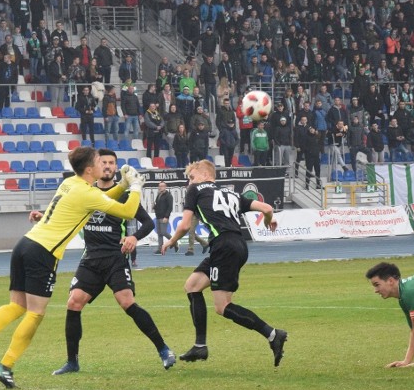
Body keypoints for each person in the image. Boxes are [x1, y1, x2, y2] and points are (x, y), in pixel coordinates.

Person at [0, 147, 146, 388]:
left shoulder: (71, 183)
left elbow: (101, 199)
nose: (102, 165)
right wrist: (135, 187)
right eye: (97, 161)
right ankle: (5, 366)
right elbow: (127, 210)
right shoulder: (87, 192)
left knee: (17, 305)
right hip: (43, 253)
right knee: (36, 313)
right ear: (90, 169)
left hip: (25, 244)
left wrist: (122, 184)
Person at [49, 150, 175, 375]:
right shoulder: (86, 191)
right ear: (96, 165)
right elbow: (65, 211)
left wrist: (134, 237)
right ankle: (72, 362)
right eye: (103, 162)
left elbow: (147, 223)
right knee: (73, 303)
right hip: (90, 259)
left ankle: (164, 350)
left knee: (127, 303)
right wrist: (44, 216)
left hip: (115, 258)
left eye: (111, 163)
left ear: (116, 168)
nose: (107, 166)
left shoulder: (125, 195)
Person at [161, 160, 288, 366]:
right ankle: (200, 346)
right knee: (192, 286)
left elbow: (184, 225)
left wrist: (171, 241)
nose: (189, 182)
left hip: (224, 246)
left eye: (191, 177)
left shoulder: (195, 190)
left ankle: (273, 334)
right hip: (234, 245)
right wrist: (268, 221)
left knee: (223, 307)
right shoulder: (232, 194)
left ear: (204, 174)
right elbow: (266, 208)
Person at [154, 181, 179, 254]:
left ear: (165, 187)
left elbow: (170, 207)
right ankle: (160, 248)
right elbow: (157, 204)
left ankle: (174, 242)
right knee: (159, 233)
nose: (160, 187)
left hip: (164, 216)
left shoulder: (168, 196)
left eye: (162, 186)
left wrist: (166, 216)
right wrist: (154, 207)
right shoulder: (158, 195)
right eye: (159, 186)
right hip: (158, 216)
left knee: (164, 232)